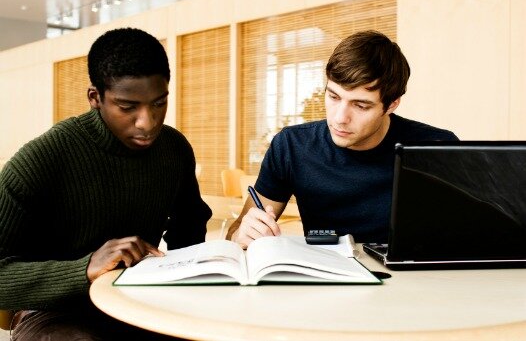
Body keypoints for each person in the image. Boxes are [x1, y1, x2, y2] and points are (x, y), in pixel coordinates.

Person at [0, 28, 211, 340]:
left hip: (137, 297)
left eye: (158, 103)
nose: (148, 122)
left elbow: (190, 227)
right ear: (95, 98)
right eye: (128, 107)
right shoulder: (43, 158)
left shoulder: (174, 149)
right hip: (56, 310)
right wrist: (84, 268)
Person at [227, 30, 458, 248]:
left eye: (360, 105)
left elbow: (469, 235)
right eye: (333, 96)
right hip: (327, 277)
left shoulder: (437, 147)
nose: (340, 118)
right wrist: (242, 234)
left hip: (412, 282)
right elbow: (237, 232)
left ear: (391, 105)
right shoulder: (291, 146)